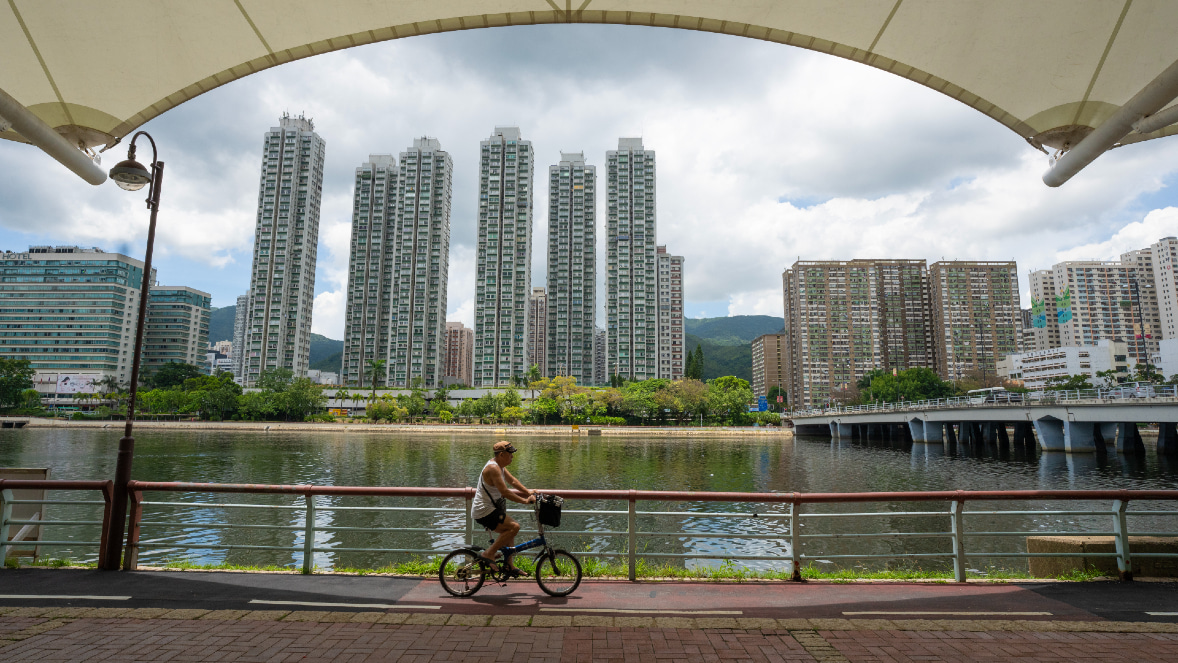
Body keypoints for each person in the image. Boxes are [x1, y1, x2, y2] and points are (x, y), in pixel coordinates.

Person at [471, 440, 535, 575]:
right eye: (510, 454)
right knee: (514, 527)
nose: (512, 457)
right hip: (484, 510)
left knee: (509, 530)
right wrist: (525, 501)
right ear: (501, 455)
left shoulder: (499, 466)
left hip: (489, 509)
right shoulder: (493, 468)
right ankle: (489, 553)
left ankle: (509, 566)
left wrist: (528, 492)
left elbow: (512, 481)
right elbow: (505, 492)